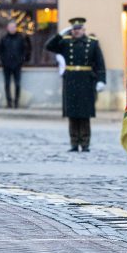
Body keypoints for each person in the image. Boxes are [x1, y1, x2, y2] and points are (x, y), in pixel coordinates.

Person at [45, 17, 106, 152]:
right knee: (72, 113)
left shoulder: (92, 43)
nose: (76, 32)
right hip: (71, 80)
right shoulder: (65, 43)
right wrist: (60, 34)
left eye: (78, 29)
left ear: (84, 30)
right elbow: (49, 46)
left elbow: (100, 64)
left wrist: (101, 80)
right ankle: (73, 143)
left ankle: (85, 143)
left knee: (84, 114)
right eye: (74, 29)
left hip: (86, 80)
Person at [0, 21, 30, 108]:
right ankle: (9, 102)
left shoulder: (20, 38)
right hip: (6, 65)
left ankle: (16, 102)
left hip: (17, 65)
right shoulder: (4, 39)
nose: (12, 29)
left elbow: (25, 50)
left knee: (17, 84)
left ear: (16, 28)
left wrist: (21, 60)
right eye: (10, 27)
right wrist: (2, 61)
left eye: (14, 27)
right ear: (8, 28)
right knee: (7, 84)